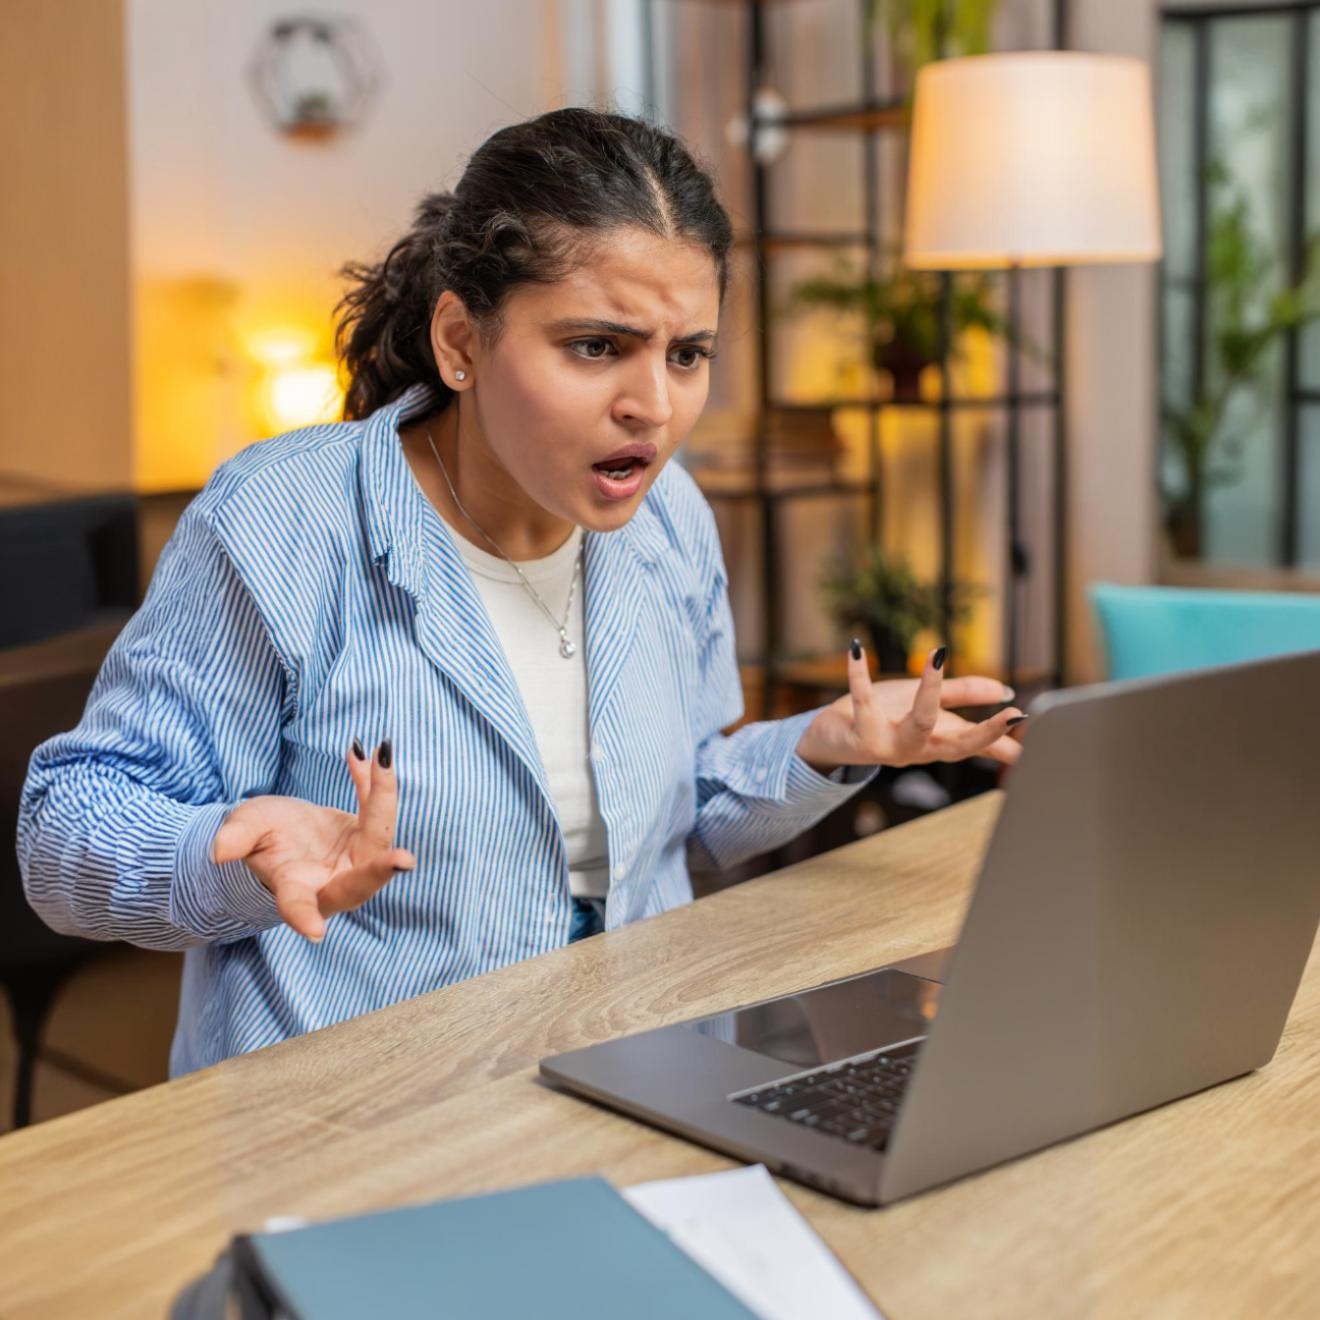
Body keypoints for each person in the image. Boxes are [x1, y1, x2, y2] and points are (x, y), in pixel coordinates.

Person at [17, 107, 1024, 1078]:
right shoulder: (284, 521)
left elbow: (678, 814)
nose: (653, 407)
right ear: (462, 342)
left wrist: (821, 748)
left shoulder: (671, 523)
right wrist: (228, 854)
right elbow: (65, 831)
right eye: (597, 347)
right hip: (359, 1131)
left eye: (688, 355)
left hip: (642, 1076)